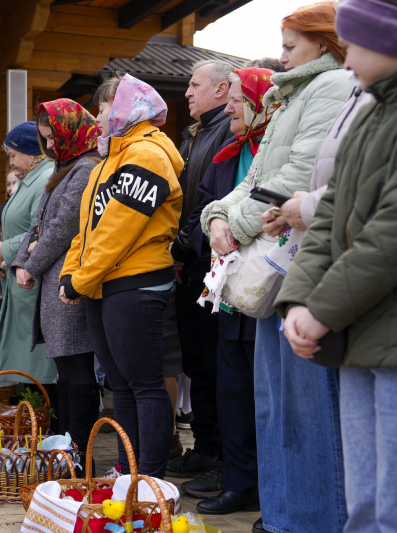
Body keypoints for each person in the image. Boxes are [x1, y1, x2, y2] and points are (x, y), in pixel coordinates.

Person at [200, 3, 354, 532]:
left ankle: (310, 519)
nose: (282, 54)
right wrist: (218, 217)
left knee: (305, 408)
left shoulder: (331, 88)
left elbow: (296, 174)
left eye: (291, 45)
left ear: (324, 44)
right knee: (273, 404)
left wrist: (234, 224)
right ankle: (284, 514)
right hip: (274, 260)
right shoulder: (292, 94)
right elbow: (255, 178)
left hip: (302, 264)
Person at [276, 3, 397, 532]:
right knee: (366, 500)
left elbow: (389, 233)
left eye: (357, 45)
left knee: (391, 503)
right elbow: (331, 219)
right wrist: (299, 300)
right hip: (361, 330)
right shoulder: (369, 112)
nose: (346, 59)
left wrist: (320, 308)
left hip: (383, 331)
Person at [59, 74, 183, 480]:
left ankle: (149, 477)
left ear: (127, 105)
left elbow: (120, 230)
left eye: (103, 108)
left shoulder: (147, 154)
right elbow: (88, 227)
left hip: (136, 282)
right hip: (105, 283)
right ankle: (128, 470)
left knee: (144, 385)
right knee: (122, 385)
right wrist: (71, 272)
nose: (97, 118)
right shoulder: (110, 158)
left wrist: (82, 279)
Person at [183, 66, 280, 518]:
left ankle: (271, 486)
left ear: (261, 105)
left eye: (240, 101)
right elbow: (205, 206)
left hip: (268, 291)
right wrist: (212, 229)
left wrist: (229, 229)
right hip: (225, 288)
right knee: (231, 388)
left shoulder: (273, 154)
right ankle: (239, 482)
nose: (231, 109)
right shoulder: (227, 152)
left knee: (265, 395)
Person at [13, 99, 100, 472]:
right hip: (54, 278)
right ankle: (66, 446)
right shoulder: (64, 167)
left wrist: (31, 262)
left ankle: (81, 454)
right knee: (64, 367)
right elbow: (39, 222)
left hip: (70, 279)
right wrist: (21, 260)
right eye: (44, 140)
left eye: (53, 138)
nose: (49, 146)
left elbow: (63, 226)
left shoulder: (85, 168)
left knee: (77, 365)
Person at [167, 59, 234, 484]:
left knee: (214, 367)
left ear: (222, 89)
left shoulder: (226, 131)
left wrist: (182, 245)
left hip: (210, 266)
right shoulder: (192, 135)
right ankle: (205, 446)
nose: (187, 92)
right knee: (196, 363)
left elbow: (211, 203)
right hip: (189, 266)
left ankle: (221, 458)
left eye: (194, 84)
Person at [0, 122, 56, 397]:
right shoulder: (30, 180)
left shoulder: (46, 179)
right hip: (21, 283)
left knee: (39, 367)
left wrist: (6, 250)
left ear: (31, 152)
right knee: (28, 364)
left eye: (13, 155)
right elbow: (18, 226)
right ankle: (33, 420)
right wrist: (1, 256)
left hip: (33, 283)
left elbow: (43, 229)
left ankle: (44, 425)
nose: (11, 162)